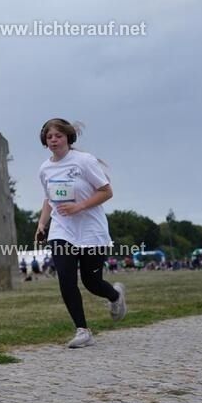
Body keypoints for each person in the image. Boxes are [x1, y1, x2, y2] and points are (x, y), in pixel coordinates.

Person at [36, 118, 127, 348]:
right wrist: (42, 224)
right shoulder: (45, 168)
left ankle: (115, 296)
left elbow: (106, 192)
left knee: (91, 282)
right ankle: (83, 330)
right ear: (45, 141)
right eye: (49, 137)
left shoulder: (84, 161)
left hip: (90, 230)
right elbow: (49, 199)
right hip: (62, 230)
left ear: (68, 137)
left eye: (58, 135)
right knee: (66, 279)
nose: (54, 140)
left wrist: (79, 206)